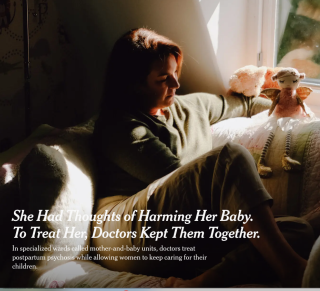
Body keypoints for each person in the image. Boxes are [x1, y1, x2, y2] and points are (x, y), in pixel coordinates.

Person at [92, 28, 314, 287]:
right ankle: (291, 269)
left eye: (175, 73)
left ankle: (204, 281)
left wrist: (288, 106)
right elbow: (177, 177)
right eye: (163, 78)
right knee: (230, 157)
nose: (176, 84)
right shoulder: (119, 126)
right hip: (124, 234)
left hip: (184, 228)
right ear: (133, 83)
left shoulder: (188, 106)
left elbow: (246, 104)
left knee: (297, 231)